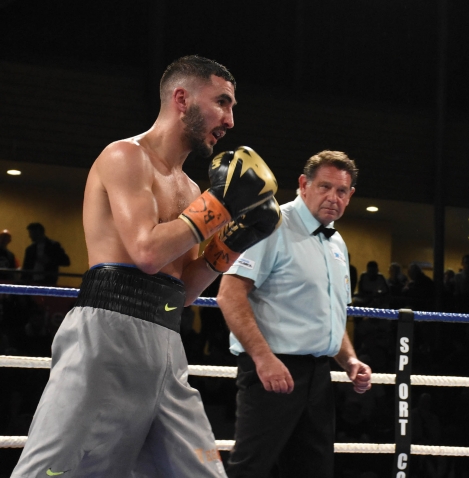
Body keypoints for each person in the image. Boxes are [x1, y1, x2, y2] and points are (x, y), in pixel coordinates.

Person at [13, 55, 283, 477]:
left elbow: (186, 286)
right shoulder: (125, 157)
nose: (230, 119)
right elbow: (147, 252)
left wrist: (235, 239)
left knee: (202, 472)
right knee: (52, 471)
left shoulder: (193, 187)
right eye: (223, 102)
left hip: (165, 344)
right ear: (182, 99)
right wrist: (223, 204)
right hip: (105, 338)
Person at [216, 150, 372, 478]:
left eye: (341, 191)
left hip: (318, 377)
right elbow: (229, 295)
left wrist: (350, 360)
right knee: (250, 469)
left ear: (350, 196)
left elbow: (328, 315)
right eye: (325, 187)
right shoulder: (272, 224)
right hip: (272, 371)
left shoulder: (336, 243)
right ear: (303, 184)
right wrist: (263, 359)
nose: (333, 197)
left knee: (313, 471)